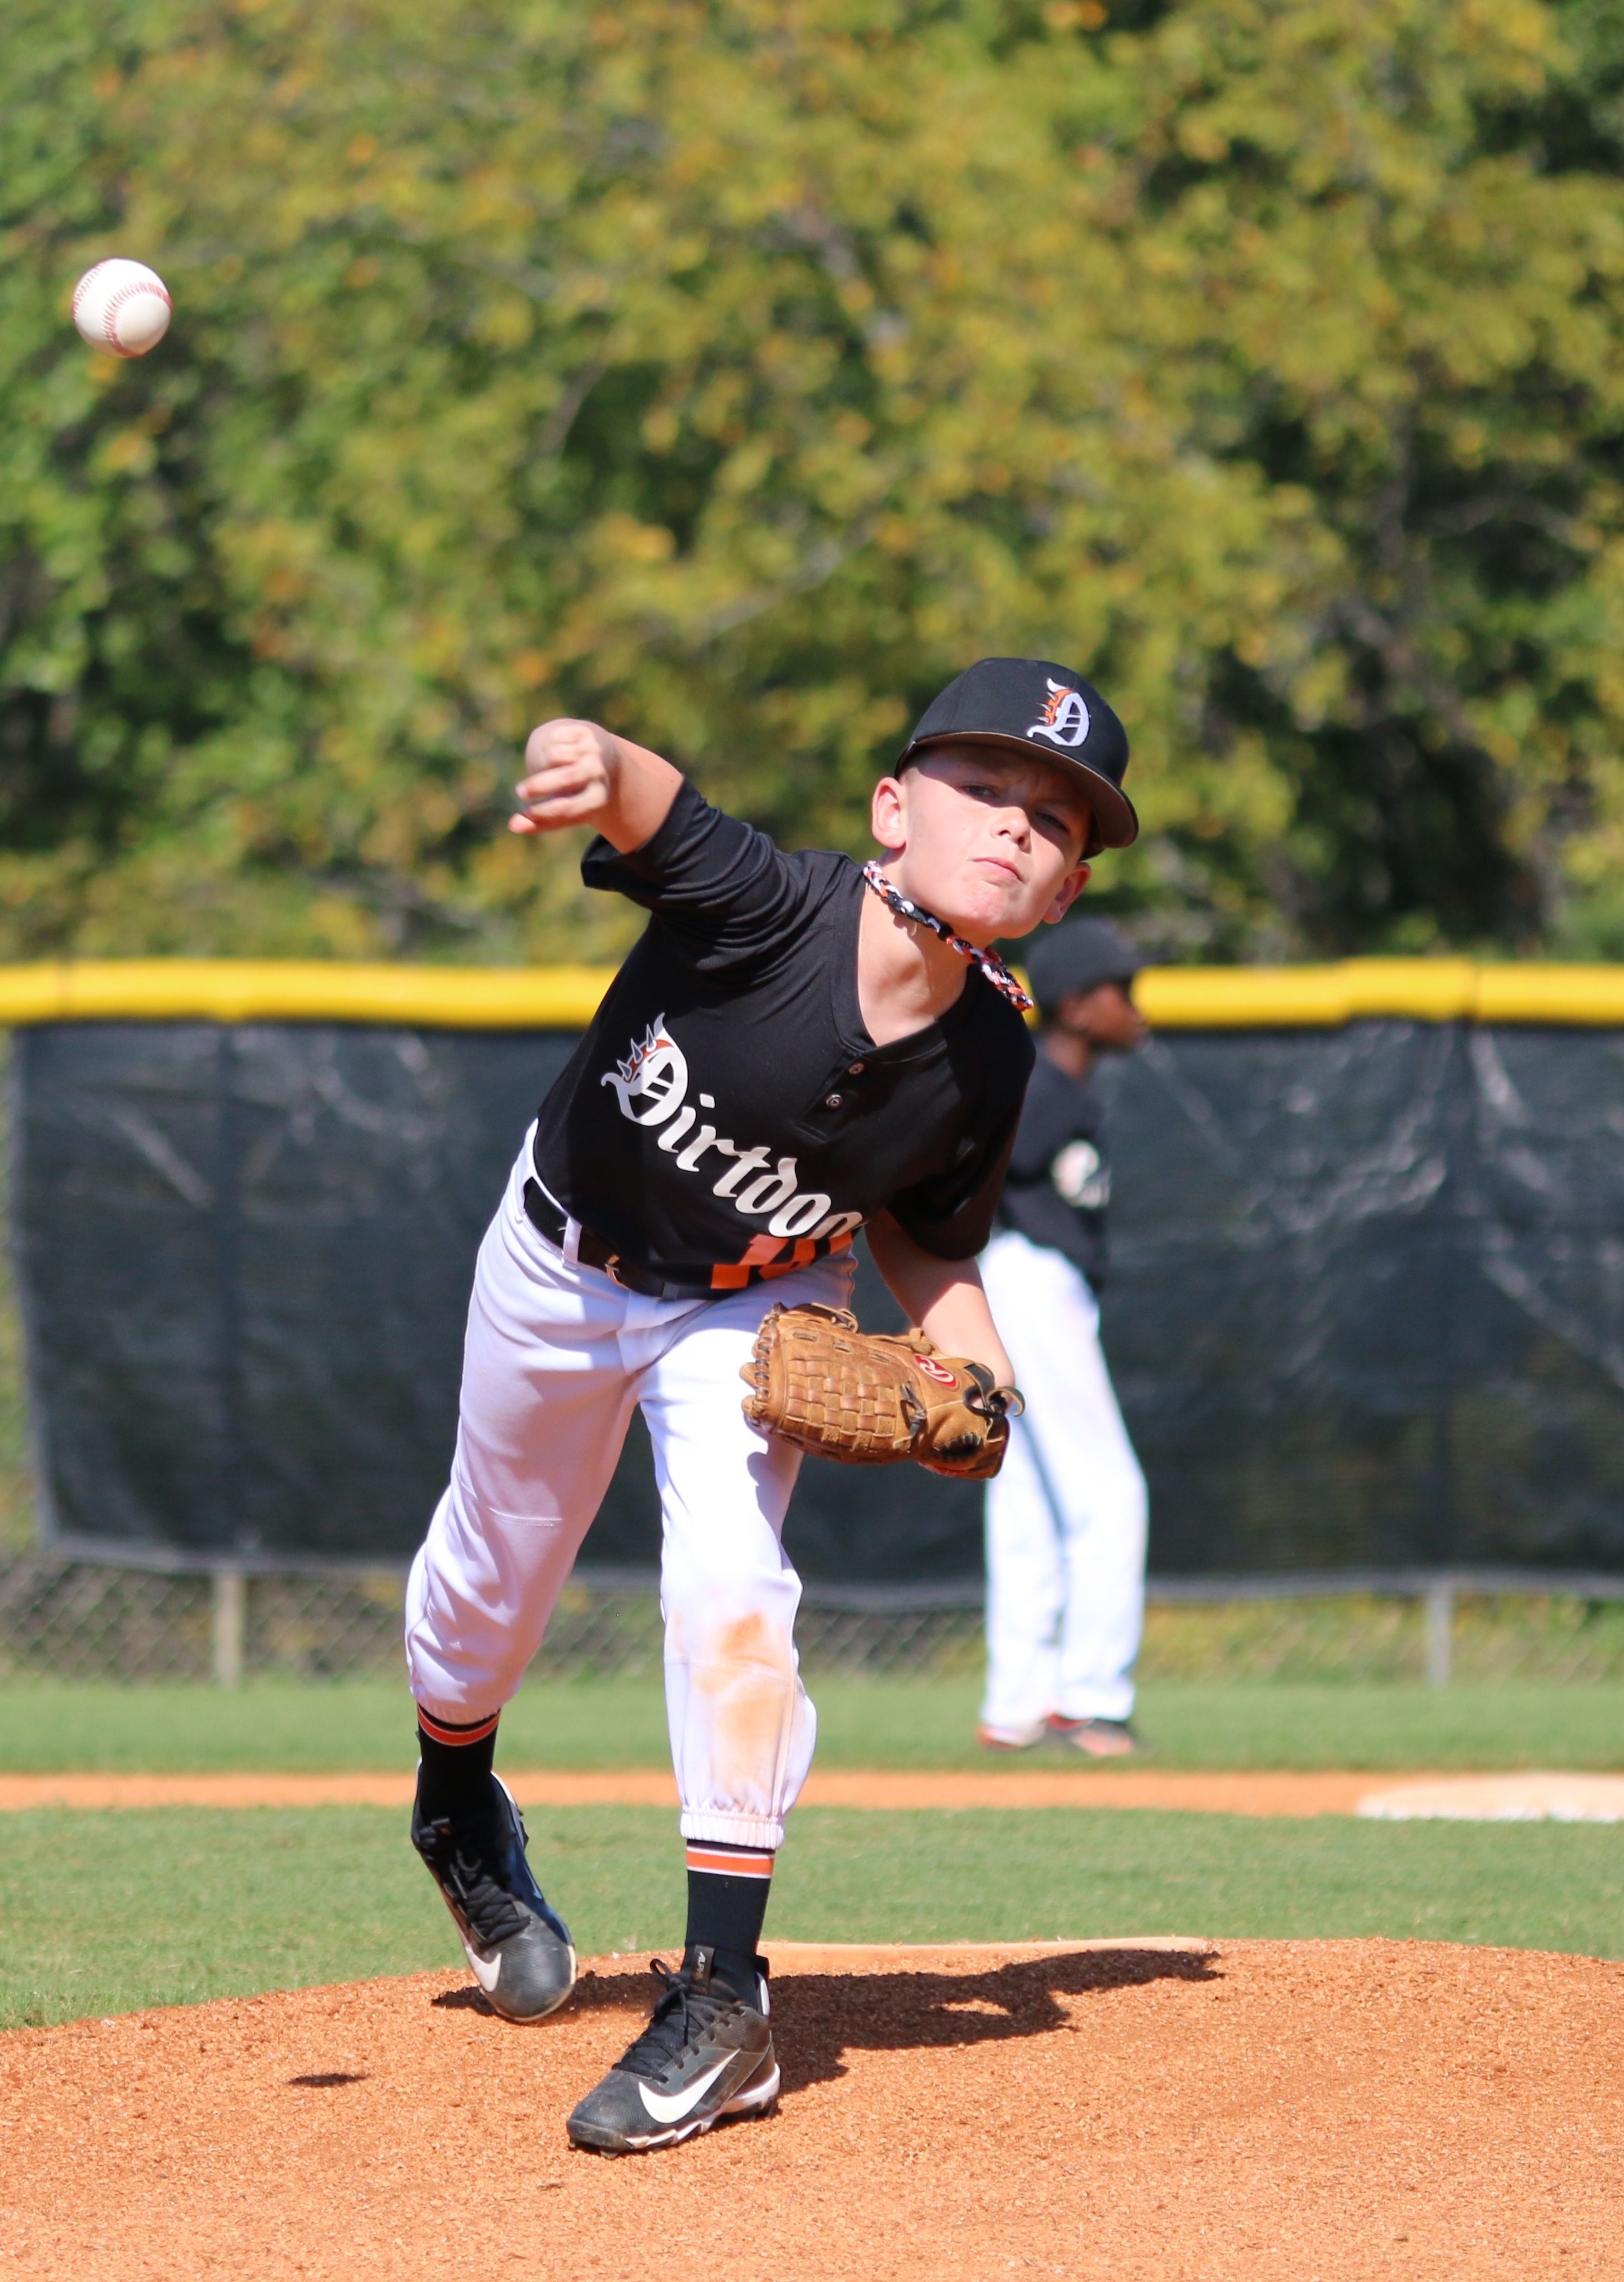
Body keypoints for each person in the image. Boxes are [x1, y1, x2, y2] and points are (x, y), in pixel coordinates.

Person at [401, 657, 1137, 2153]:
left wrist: (979, 1375)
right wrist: (580, 749)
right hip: (558, 1265)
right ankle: (457, 1805)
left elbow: (929, 1237)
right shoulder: (765, 905)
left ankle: (724, 2000)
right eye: (983, 788)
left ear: (1064, 892)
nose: (1014, 827)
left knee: (735, 1590)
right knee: (489, 1592)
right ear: (892, 807)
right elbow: (645, 790)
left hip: (750, 1304)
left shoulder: (990, 1055)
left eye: (1054, 821)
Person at [975, 917, 1153, 1757]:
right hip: (1031, 1279)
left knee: (1030, 1502)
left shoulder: (1057, 1087)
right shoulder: (1043, 1087)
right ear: (1080, 1006)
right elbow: (967, 1164)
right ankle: (1091, 1700)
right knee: (1109, 1493)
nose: (1136, 1008)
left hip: (1022, 1281)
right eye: (1124, 992)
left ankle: (1017, 1705)